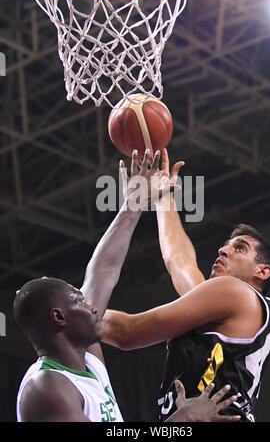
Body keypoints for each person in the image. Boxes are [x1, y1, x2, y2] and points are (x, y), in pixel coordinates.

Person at [13, 149, 239, 423]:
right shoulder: (47, 387)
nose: (94, 308)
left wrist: (133, 204)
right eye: (80, 301)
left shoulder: (86, 362)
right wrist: (182, 419)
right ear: (59, 317)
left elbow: (104, 272)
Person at [101, 149, 270, 422]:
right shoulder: (228, 304)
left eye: (240, 248)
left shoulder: (235, 293)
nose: (223, 250)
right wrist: (164, 194)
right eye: (225, 245)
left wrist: (63, 304)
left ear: (262, 271)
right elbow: (179, 261)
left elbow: (128, 332)